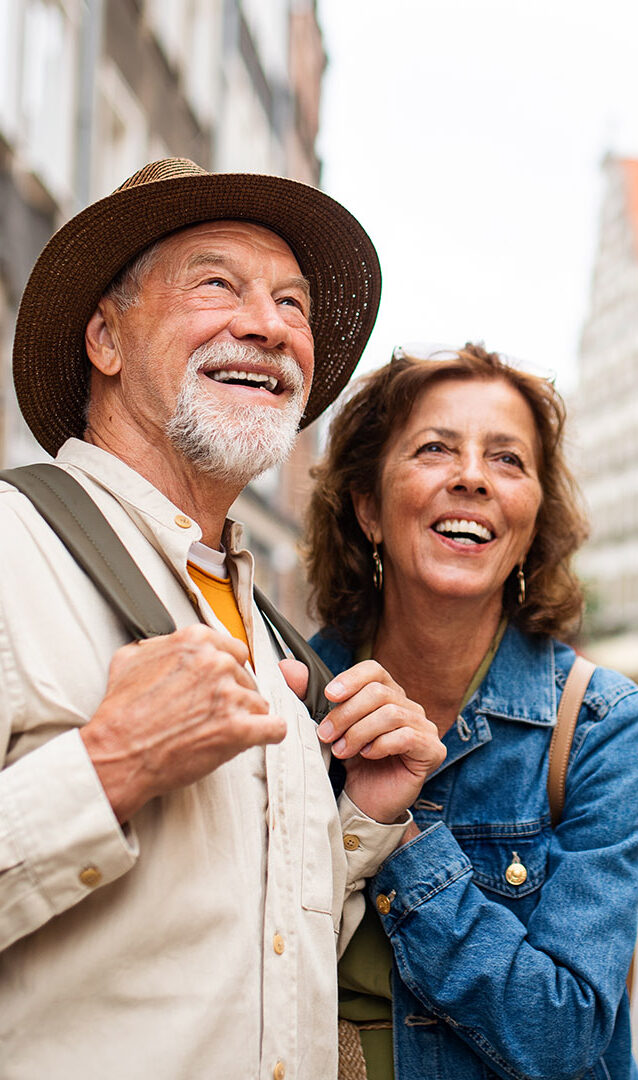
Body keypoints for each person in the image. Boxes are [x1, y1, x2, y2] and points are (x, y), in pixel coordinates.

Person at [0, 158, 446, 1080]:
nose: (269, 325)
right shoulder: (11, 547)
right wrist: (108, 767)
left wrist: (359, 820)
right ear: (106, 339)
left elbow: (260, 952)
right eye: (217, 284)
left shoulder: (271, 637)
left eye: (293, 304)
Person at [305, 343, 638, 1080]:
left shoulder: (597, 725)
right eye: (435, 448)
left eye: (507, 460)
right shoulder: (295, 693)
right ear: (368, 507)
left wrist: (399, 837)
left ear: (532, 521)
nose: (471, 476)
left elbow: (563, 1034)